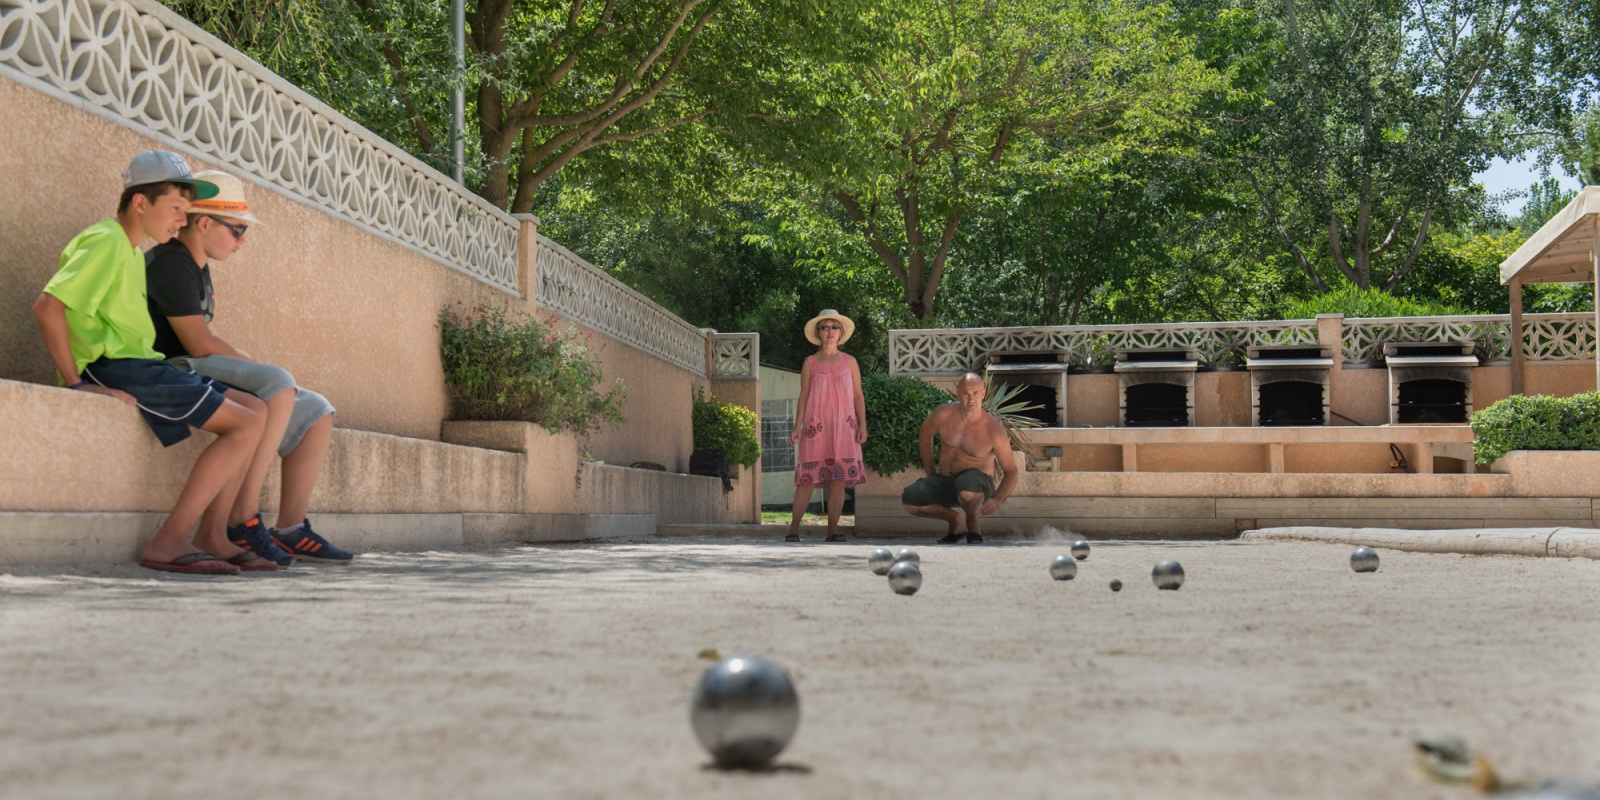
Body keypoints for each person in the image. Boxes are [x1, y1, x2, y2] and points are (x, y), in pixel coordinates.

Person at [31, 150, 270, 574]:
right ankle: (171, 540)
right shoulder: (105, 240)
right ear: (140, 202)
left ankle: (211, 535)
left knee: (257, 409)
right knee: (246, 423)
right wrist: (74, 384)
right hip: (114, 366)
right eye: (176, 209)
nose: (181, 221)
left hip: (141, 364)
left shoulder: (127, 249)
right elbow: (48, 307)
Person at [145, 170, 353, 564]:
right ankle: (243, 517)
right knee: (276, 382)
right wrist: (256, 368)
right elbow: (198, 343)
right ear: (204, 222)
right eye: (237, 229)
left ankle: (290, 528)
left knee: (315, 411)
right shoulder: (171, 262)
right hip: (169, 366)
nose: (242, 240)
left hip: (195, 363)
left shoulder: (197, 264)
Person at [901, 372, 1018, 544]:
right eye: (966, 393)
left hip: (977, 484)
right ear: (958, 393)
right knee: (910, 499)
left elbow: (1011, 471)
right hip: (947, 480)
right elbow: (925, 434)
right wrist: (930, 471)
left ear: (983, 393)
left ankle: (972, 521)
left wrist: (997, 500)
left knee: (966, 485)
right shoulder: (944, 414)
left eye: (976, 393)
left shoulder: (993, 430)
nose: (971, 399)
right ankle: (955, 519)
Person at [785, 309, 868, 542]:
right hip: (815, 429)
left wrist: (863, 425)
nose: (830, 331)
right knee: (807, 480)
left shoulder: (850, 362)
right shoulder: (810, 362)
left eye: (834, 327)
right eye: (825, 327)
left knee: (838, 479)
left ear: (840, 333)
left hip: (844, 428)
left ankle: (832, 531)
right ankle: (793, 529)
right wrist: (797, 426)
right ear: (818, 333)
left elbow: (858, 396)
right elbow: (803, 396)